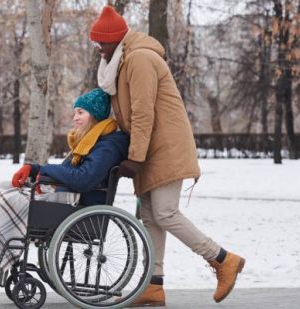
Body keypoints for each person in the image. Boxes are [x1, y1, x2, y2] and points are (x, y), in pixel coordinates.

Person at [88, 5, 245, 307]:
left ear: (115, 39)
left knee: (165, 213)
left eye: (101, 42)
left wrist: (134, 158)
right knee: (150, 217)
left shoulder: (140, 59)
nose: (98, 48)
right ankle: (153, 285)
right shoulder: (121, 62)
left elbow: (142, 113)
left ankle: (222, 259)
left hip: (164, 148)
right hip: (150, 149)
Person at [0, 88, 130, 282]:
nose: (75, 117)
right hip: (70, 196)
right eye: (75, 112)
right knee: (4, 187)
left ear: (95, 115)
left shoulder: (107, 146)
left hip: (80, 203)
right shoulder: (91, 140)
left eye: (80, 112)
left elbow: (83, 179)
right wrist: (34, 169)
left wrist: (46, 170)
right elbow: (69, 173)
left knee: (13, 199)